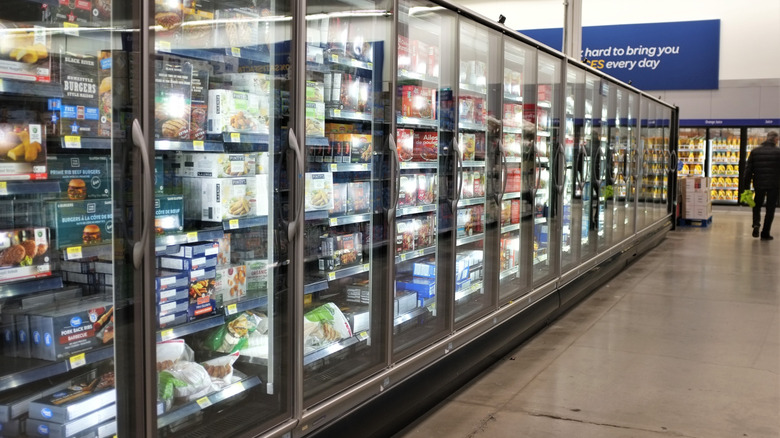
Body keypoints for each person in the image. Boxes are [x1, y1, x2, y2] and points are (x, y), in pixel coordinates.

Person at [744, 131, 780, 240]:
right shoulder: (778, 152)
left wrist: (746, 188)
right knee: (770, 209)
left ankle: (756, 224)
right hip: (774, 185)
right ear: (775, 140)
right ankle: (765, 233)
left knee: (757, 205)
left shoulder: (755, 151)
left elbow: (748, 171)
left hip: (758, 184)